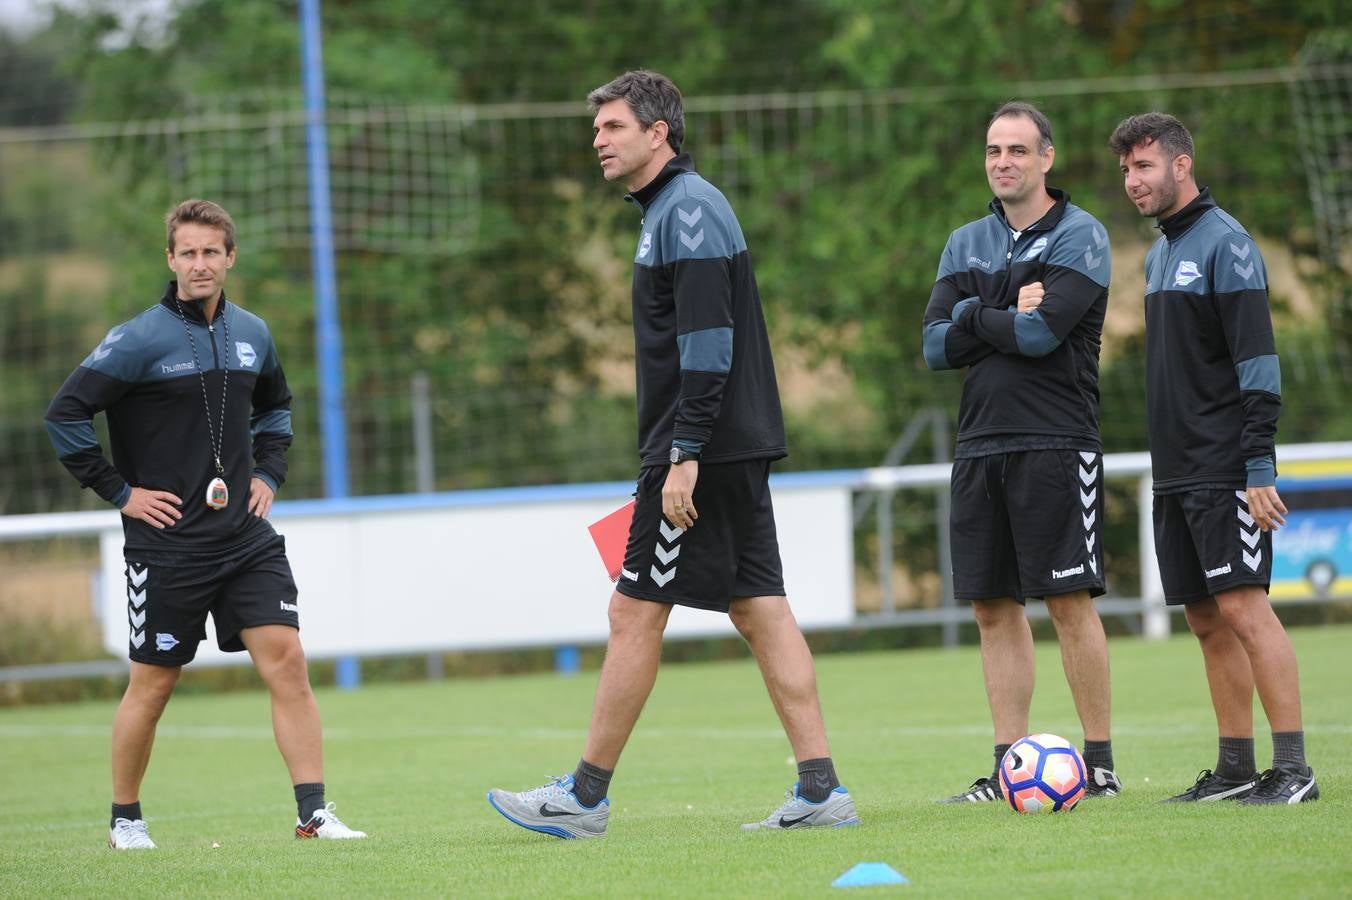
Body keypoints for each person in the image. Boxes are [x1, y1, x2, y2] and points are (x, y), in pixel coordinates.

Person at [486, 70, 858, 839]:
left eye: (614, 127)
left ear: (660, 133)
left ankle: (584, 798)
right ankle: (821, 789)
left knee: (632, 610)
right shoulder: (676, 210)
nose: (599, 140)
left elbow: (708, 344)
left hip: (701, 452)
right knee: (760, 609)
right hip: (727, 446)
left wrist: (684, 450)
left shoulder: (686, 213)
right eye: (597, 130)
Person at [44, 199, 366, 848]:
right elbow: (64, 416)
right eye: (187, 252)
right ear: (170, 259)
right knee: (154, 687)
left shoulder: (254, 333)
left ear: (229, 258)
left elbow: (277, 409)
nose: (200, 264)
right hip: (166, 548)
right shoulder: (138, 339)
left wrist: (268, 475)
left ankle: (313, 814)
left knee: (289, 662)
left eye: (211, 252)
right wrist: (120, 492)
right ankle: (126, 821)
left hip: (244, 540)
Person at [1110, 113, 1318, 804]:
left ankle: (1293, 771)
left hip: (1224, 465)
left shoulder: (1226, 244)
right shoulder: (1163, 251)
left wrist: (1258, 465)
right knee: (1205, 617)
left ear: (1180, 164)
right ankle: (1235, 769)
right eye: (1126, 171)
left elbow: (1258, 363)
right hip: (1175, 469)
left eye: (1143, 167)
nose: (1133, 182)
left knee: (1244, 608)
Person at [922, 101, 1121, 802]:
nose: (1002, 161)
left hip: (1057, 440)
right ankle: (1008, 768)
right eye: (992, 150)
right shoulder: (964, 241)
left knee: (1067, 600)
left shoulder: (1083, 236)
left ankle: (1098, 766)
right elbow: (933, 346)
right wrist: (1000, 308)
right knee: (992, 608)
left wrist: (972, 313)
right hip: (979, 445)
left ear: (1046, 158)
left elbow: (1042, 340)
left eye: (1016, 149)